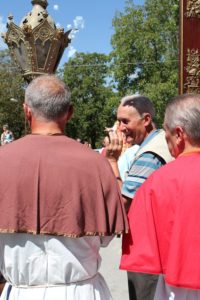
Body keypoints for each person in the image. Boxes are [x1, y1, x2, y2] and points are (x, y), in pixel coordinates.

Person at [0, 75, 128, 300]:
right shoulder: (96, 163)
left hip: (22, 293)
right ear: (70, 112)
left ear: (26, 111)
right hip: (84, 292)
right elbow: (107, 237)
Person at [120, 93, 200, 299]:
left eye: (166, 130)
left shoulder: (156, 183)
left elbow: (142, 250)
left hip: (179, 287)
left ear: (180, 134)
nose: (165, 137)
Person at [105, 95, 172, 300]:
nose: (121, 128)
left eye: (126, 121)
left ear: (146, 120)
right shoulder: (158, 143)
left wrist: (112, 162)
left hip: (149, 255)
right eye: (118, 121)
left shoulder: (150, 155)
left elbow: (121, 204)